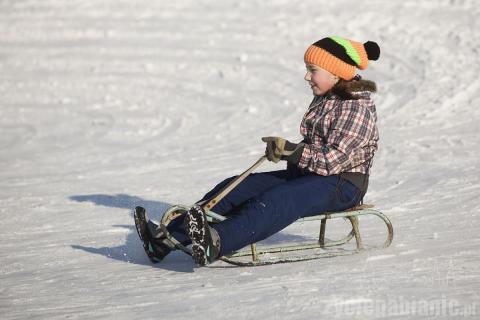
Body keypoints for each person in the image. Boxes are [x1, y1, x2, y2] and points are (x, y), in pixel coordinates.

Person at [134, 36, 381, 266]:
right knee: (236, 187)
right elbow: (317, 147)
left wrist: (293, 152)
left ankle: (217, 242)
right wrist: (287, 151)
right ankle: (165, 240)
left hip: (342, 184)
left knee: (280, 199)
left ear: (336, 74)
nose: (306, 77)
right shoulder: (328, 96)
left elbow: (331, 161)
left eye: (312, 70)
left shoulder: (355, 106)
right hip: (311, 175)